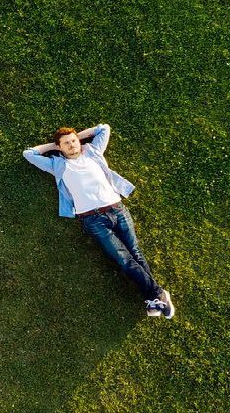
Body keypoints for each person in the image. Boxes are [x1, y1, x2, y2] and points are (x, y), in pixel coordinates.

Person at [22, 124, 175, 319]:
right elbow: (29, 153)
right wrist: (52, 146)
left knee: (134, 251)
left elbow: (104, 129)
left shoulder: (93, 151)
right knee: (124, 259)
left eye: (73, 141)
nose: (71, 145)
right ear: (59, 148)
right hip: (92, 219)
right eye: (65, 143)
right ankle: (158, 294)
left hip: (117, 209)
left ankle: (154, 298)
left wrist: (78, 135)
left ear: (79, 141)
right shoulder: (56, 165)